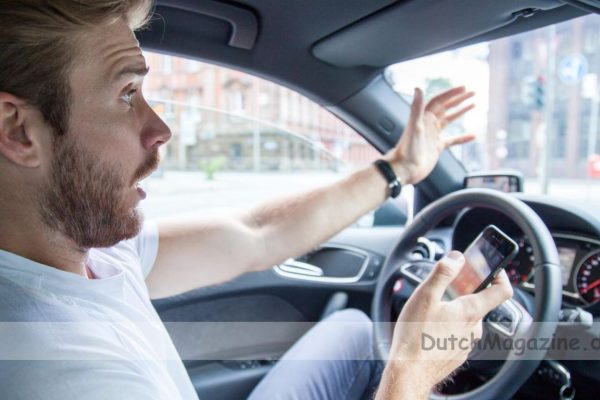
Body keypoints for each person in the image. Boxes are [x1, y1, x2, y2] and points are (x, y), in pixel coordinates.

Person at [0, 1, 513, 399]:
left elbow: (259, 235)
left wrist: (397, 167)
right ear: (19, 131)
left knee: (355, 332)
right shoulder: (54, 370)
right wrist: (411, 372)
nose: (161, 128)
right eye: (127, 94)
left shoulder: (91, 250)